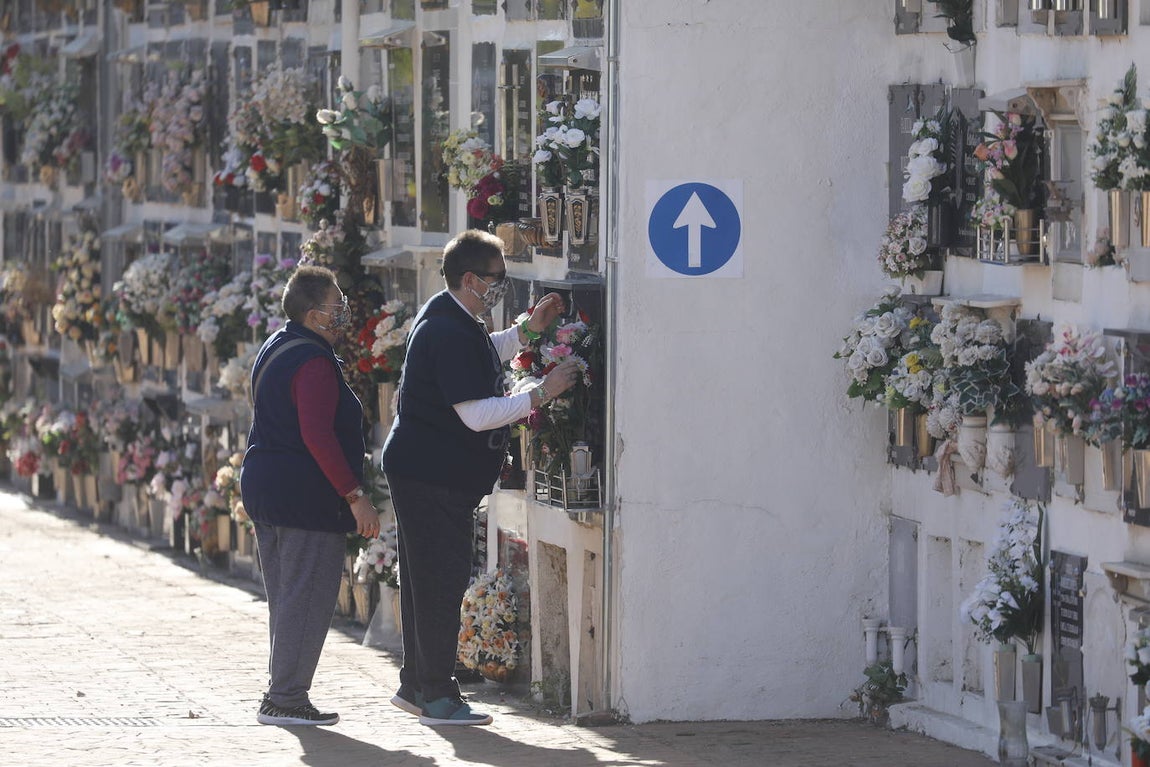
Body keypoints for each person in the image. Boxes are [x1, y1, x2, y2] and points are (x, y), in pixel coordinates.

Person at [381, 229, 579, 726]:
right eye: (496, 279)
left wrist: (525, 332)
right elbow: (475, 414)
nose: (500, 288)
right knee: (440, 585)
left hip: (425, 471)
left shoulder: (451, 316)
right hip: (431, 476)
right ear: (470, 279)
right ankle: (439, 697)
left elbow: (482, 351)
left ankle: (416, 686)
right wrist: (542, 392)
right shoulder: (447, 330)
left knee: (426, 580)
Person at [240, 265, 381, 726]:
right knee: (307, 598)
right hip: (305, 497)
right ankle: (285, 698)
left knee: (288, 597)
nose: (343, 313)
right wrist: (355, 496)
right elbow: (318, 435)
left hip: (268, 487)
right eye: (336, 306)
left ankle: (282, 691)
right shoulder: (314, 362)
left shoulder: (277, 344)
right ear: (314, 314)